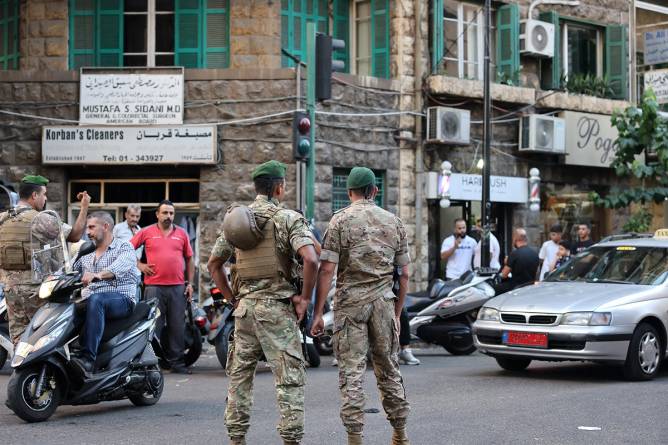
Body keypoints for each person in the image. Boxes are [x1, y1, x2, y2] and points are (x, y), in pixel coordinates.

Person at [207, 160, 318, 445]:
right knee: (289, 382)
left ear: (256, 187)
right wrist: (304, 299)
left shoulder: (237, 220)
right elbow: (311, 258)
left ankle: (236, 439)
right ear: (280, 187)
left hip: (244, 312)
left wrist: (232, 299)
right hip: (277, 312)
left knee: (239, 380)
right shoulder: (287, 218)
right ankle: (291, 441)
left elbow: (214, 263)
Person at [311, 167, 411, 445]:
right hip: (383, 304)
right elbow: (404, 275)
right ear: (374, 191)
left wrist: (318, 313)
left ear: (349, 192)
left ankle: (355, 438)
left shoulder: (339, 221)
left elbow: (327, 270)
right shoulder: (394, 222)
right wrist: (397, 313)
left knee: (351, 373)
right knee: (389, 370)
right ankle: (400, 434)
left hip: (350, 305)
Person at [0, 175, 90, 344]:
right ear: (34, 195)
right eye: (44, 194)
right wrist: (84, 207)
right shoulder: (39, 219)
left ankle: (22, 370)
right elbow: (76, 235)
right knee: (41, 338)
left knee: (19, 341)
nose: (46, 198)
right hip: (36, 290)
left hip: (10, 290)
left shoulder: (3, 219)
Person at [70, 212, 140, 373]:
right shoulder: (86, 251)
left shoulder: (124, 247)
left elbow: (122, 266)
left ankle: (88, 359)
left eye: (92, 227)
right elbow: (70, 269)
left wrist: (98, 275)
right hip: (91, 298)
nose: (88, 232)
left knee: (97, 300)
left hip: (122, 298)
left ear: (106, 227)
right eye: (87, 228)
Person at [130, 199, 194, 374]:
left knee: (177, 327)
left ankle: (177, 364)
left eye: (171, 213)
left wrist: (189, 284)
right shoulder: (146, 232)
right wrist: (140, 265)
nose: (168, 216)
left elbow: (189, 259)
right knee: (153, 327)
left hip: (177, 287)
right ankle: (150, 364)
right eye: (165, 212)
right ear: (157, 214)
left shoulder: (182, 234)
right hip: (153, 288)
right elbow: (126, 249)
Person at [497, 228, 540, 293]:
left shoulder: (514, 254)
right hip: (530, 287)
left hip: (516, 288)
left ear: (515, 239)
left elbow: (504, 275)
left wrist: (506, 263)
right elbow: (536, 273)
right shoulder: (535, 254)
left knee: (496, 288)